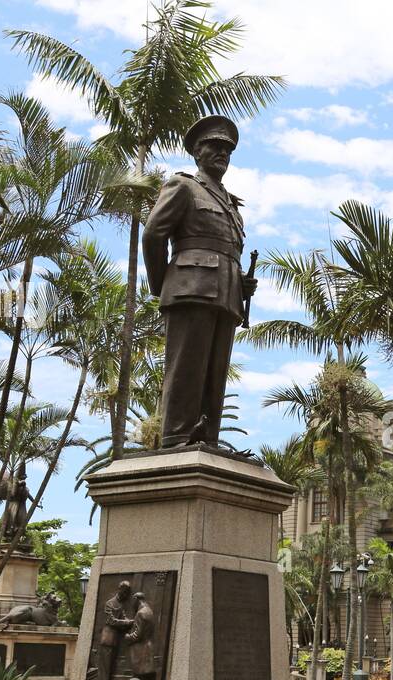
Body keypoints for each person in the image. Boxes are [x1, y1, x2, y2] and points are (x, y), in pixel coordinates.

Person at [143, 115, 258, 449]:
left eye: (227, 149)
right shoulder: (183, 186)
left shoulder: (233, 205)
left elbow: (228, 252)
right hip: (190, 288)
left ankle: (206, 435)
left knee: (215, 371)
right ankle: (177, 435)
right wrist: (164, 283)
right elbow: (153, 235)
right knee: (187, 366)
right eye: (215, 147)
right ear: (197, 152)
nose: (222, 154)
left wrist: (240, 282)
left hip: (226, 295)